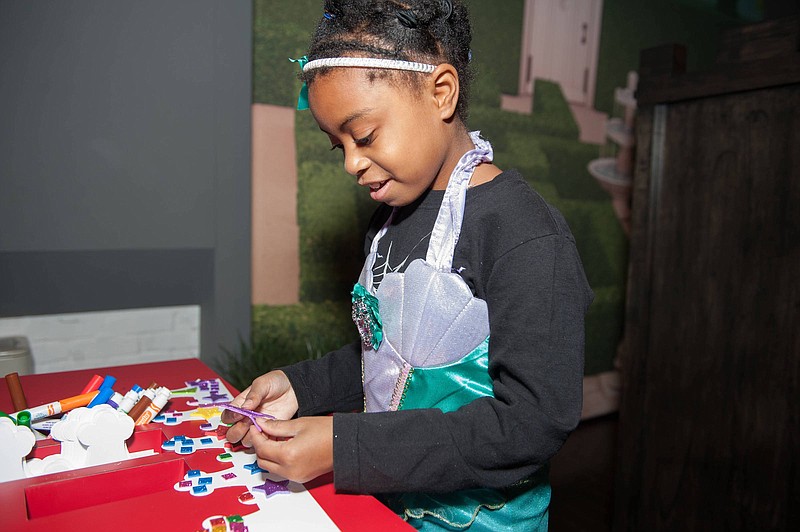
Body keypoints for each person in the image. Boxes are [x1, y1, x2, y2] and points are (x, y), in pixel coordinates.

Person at [223, 0, 593, 529]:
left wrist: (342, 446)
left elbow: (530, 424)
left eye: (365, 135)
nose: (352, 162)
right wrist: (302, 387)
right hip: (390, 504)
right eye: (338, 147)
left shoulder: (525, 235)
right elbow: (389, 358)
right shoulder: (391, 221)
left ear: (441, 93)